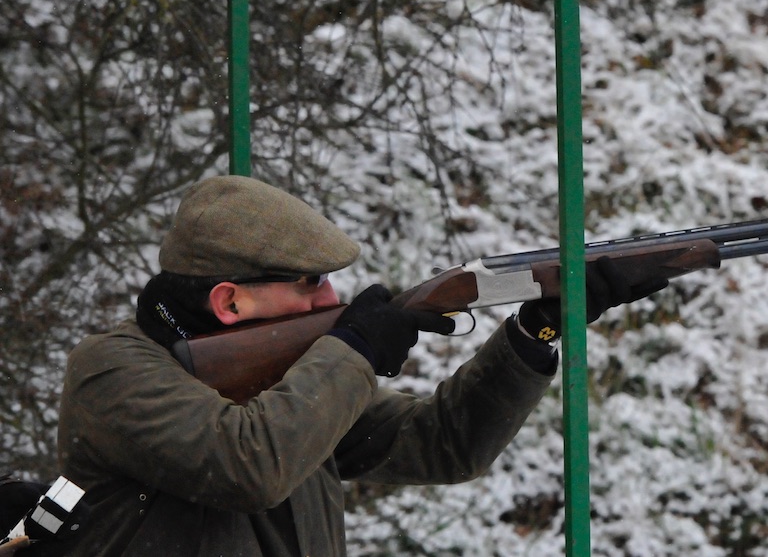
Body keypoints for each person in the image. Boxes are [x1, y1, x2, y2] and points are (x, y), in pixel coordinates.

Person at [47, 175, 664, 556]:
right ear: (230, 302)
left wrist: (534, 332)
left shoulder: (284, 380)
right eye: (309, 283)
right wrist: (356, 350)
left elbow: (447, 445)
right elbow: (248, 465)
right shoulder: (111, 371)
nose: (331, 300)